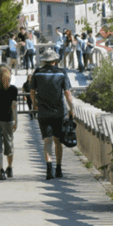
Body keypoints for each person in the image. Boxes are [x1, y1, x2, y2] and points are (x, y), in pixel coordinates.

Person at [29, 47, 73, 180]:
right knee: (58, 141)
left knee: (47, 142)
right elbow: (67, 93)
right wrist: (72, 108)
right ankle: (59, 168)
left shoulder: (37, 73)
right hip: (59, 112)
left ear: (44, 61)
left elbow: (32, 92)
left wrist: (35, 104)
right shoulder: (61, 73)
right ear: (55, 60)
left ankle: (49, 169)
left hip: (43, 113)